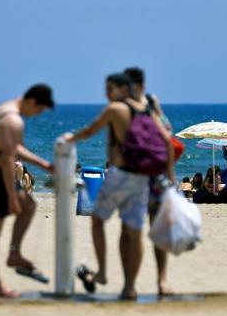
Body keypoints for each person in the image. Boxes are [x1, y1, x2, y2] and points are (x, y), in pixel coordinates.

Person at [65, 73, 174, 300]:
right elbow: (167, 137)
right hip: (142, 178)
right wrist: (171, 174)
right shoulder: (148, 109)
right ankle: (130, 287)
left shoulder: (116, 109)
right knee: (135, 233)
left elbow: (88, 131)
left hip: (120, 175)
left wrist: (68, 139)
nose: (107, 93)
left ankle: (103, 272)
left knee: (97, 220)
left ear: (124, 88)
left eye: (110, 89)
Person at [0, 84, 54, 298]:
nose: (36, 116)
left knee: (29, 205)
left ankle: (14, 254)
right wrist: (11, 196)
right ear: (32, 102)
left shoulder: (4, 108)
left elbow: (12, 147)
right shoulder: (14, 120)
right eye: (39, 111)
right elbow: (9, 158)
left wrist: (43, 164)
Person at [124, 66, 178, 296]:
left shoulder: (145, 108)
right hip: (151, 177)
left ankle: (140, 283)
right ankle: (149, 282)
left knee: (142, 231)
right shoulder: (141, 107)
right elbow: (169, 135)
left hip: (146, 178)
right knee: (138, 232)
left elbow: (167, 136)